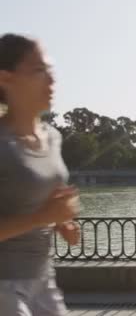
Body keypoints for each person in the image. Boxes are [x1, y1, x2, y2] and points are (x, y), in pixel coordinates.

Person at [0, 33, 81, 315]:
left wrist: (62, 223)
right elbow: (40, 214)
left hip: (43, 280)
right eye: (38, 71)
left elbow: (42, 202)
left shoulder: (53, 137)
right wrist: (42, 217)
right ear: (6, 79)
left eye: (50, 71)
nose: (51, 81)